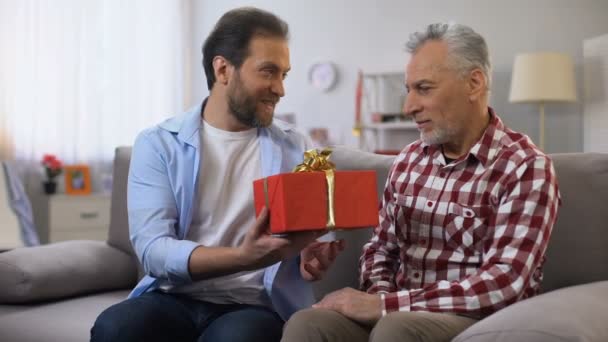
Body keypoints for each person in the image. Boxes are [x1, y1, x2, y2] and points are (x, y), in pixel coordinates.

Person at [282, 22, 561, 342]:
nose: (409, 107)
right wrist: (378, 296)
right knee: (308, 323)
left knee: (396, 328)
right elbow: (381, 251)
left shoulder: (525, 167)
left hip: (474, 320)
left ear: (474, 83)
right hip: (395, 312)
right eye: (408, 89)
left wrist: (385, 306)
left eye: (424, 88)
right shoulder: (408, 160)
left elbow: (505, 282)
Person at [91, 7, 344, 342]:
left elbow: (314, 237)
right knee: (116, 329)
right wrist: (241, 257)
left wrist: (312, 257)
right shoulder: (158, 144)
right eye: (269, 72)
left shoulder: (298, 148)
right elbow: (153, 250)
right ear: (223, 69)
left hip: (253, 304)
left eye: (284, 75)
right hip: (172, 296)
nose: (280, 89)